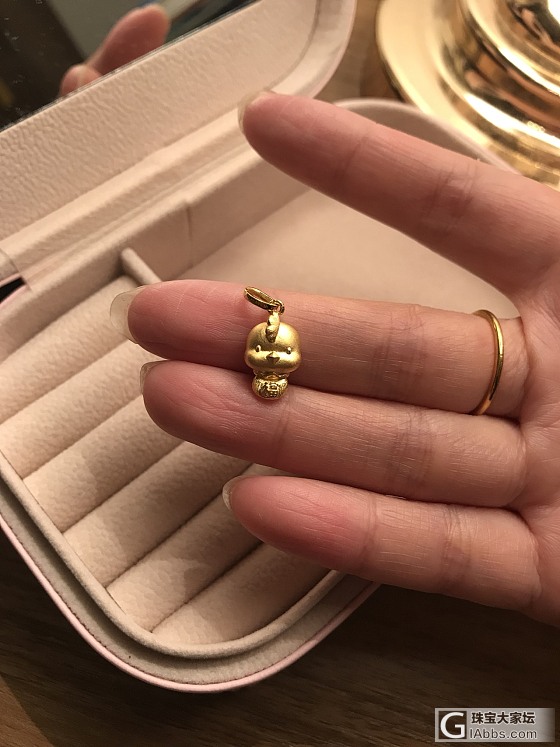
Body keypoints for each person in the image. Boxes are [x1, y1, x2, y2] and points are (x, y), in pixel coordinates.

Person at [110, 92, 560, 627]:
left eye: (275, 353)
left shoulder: (276, 345)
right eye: (268, 352)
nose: (270, 357)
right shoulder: (267, 345)